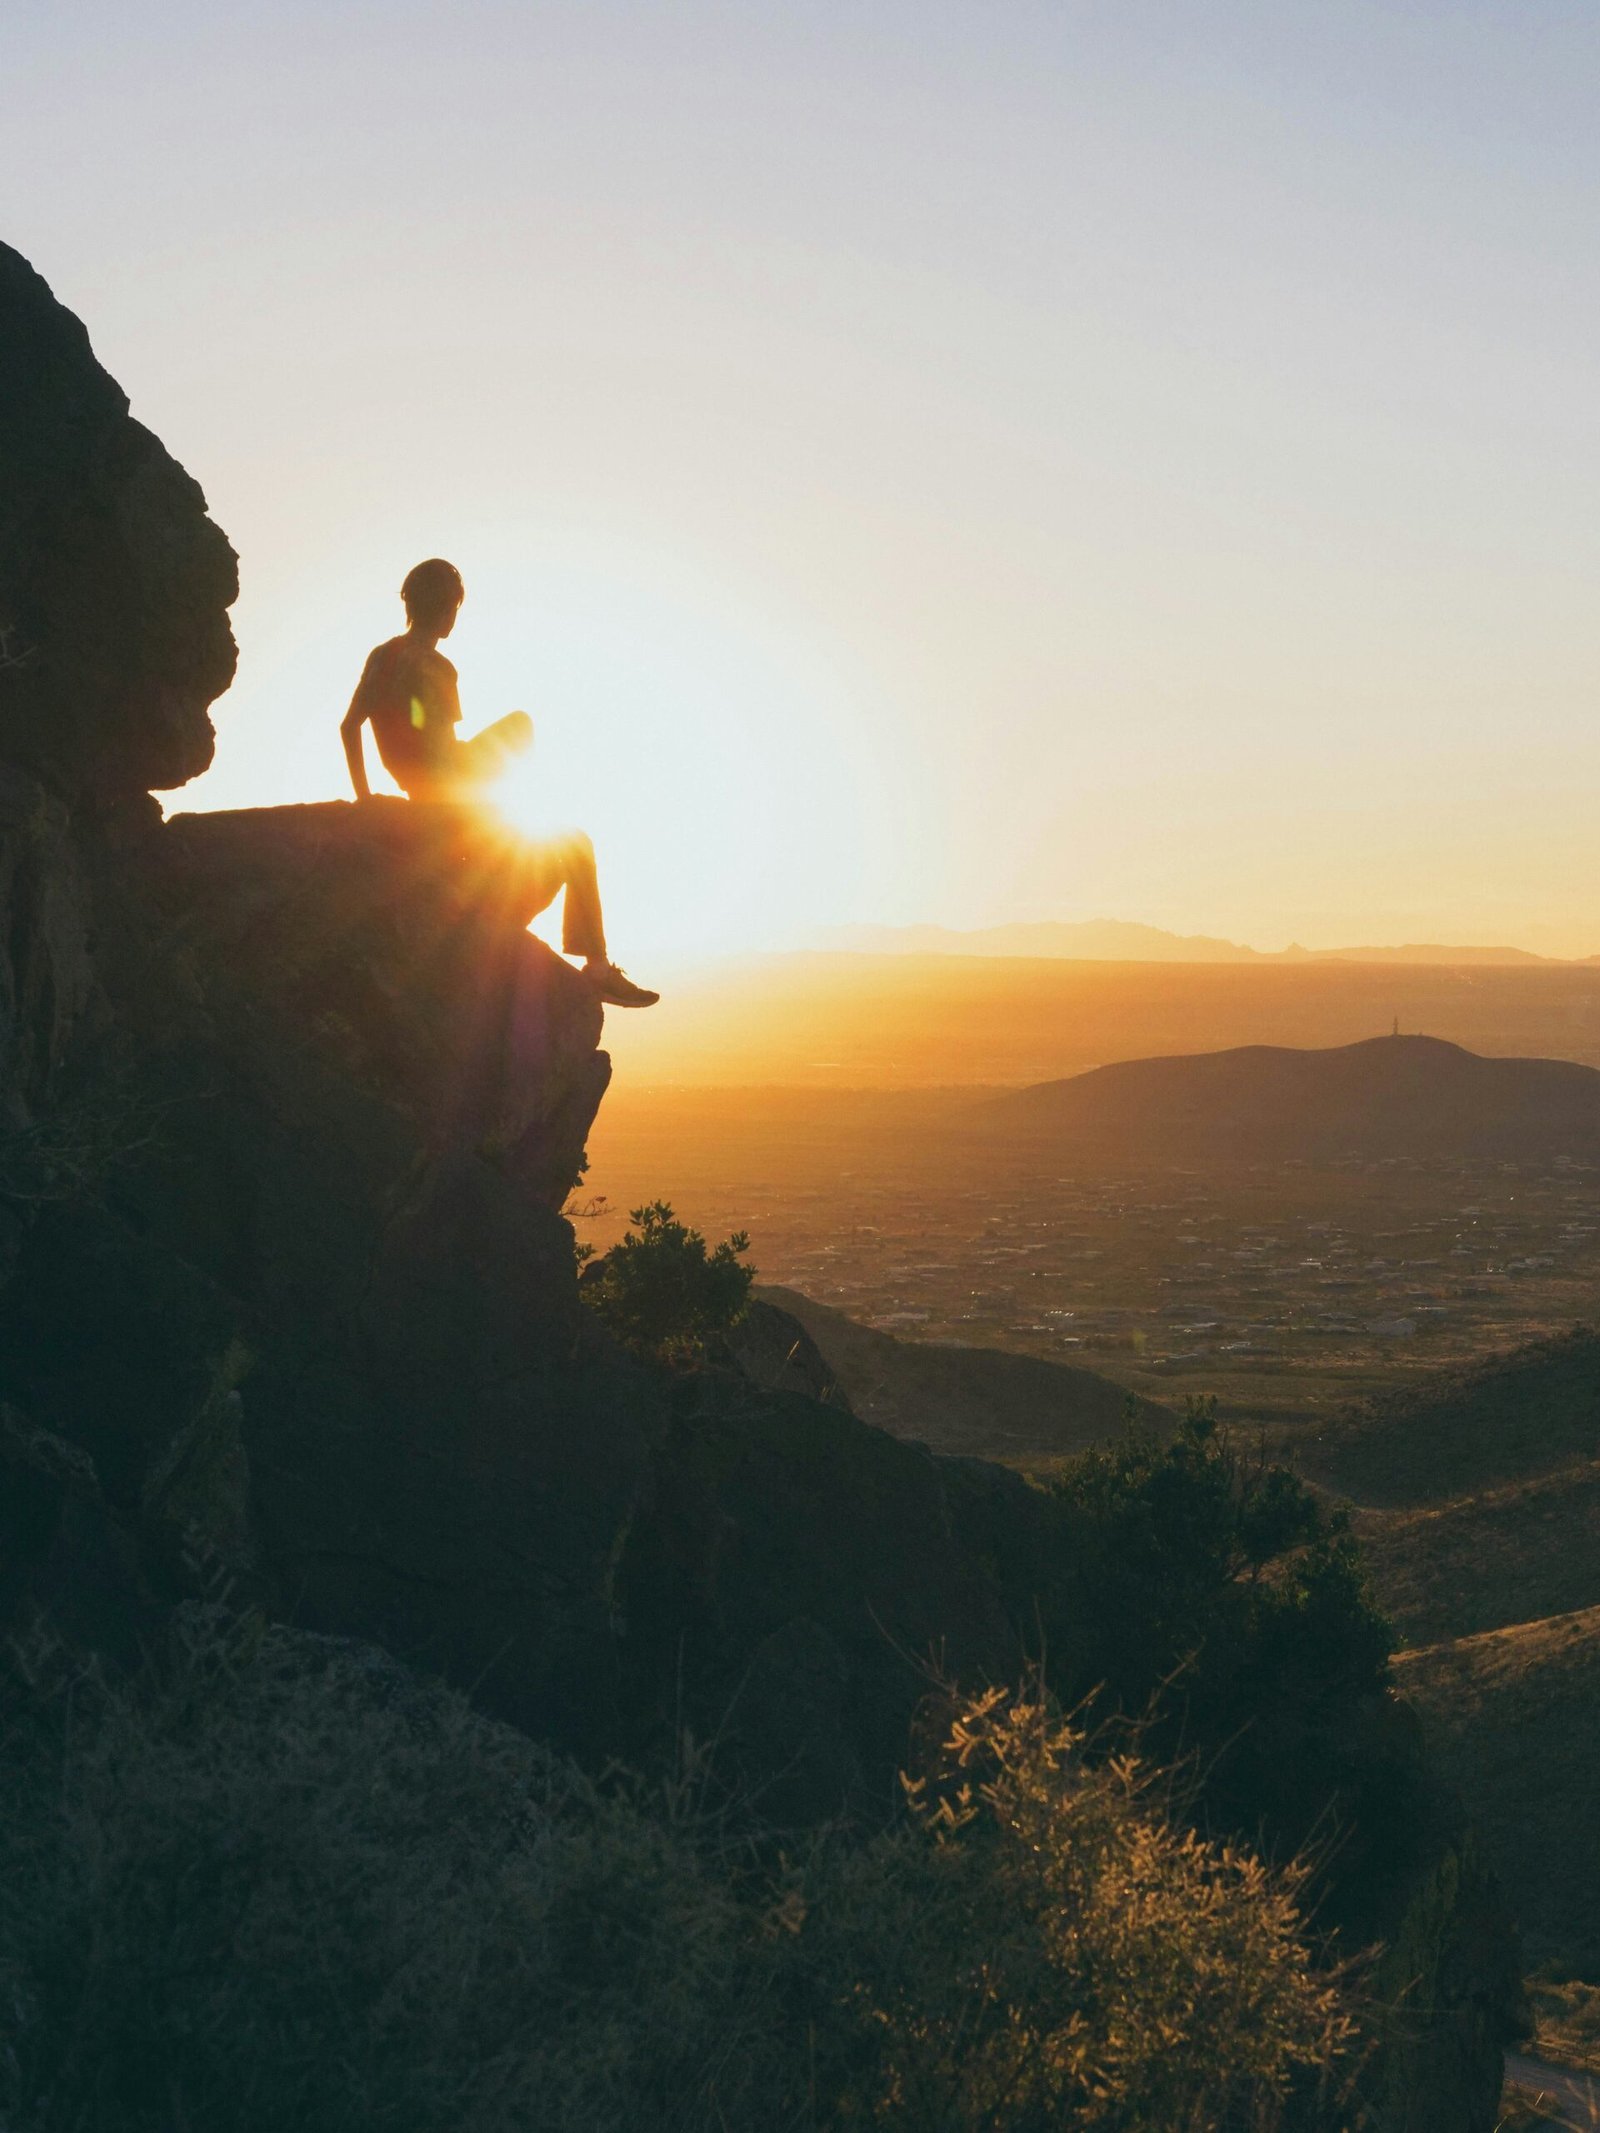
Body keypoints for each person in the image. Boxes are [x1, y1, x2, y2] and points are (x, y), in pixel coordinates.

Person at [341, 558, 658, 1008]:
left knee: (559, 823)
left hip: (433, 785)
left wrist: (365, 798)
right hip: (444, 789)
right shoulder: (435, 666)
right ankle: (597, 968)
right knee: (565, 823)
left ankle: (509, 876)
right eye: (453, 607)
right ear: (446, 608)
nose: (454, 617)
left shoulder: (383, 657)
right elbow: (440, 750)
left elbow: (351, 726)